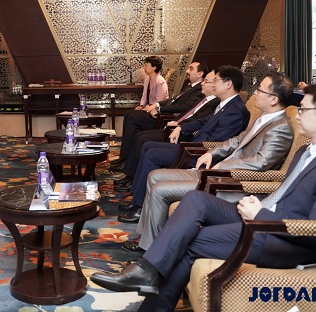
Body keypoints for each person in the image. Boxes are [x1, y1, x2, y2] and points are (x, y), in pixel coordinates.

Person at [91, 82, 316, 312]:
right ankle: (146, 271)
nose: (297, 115)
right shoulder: (307, 151)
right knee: (196, 200)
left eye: (303, 109)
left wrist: (261, 215)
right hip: (265, 219)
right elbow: (287, 191)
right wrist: (259, 206)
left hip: (284, 240)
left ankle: (148, 281)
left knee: (188, 242)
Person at [124, 71, 294, 252]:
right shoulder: (263, 119)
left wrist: (223, 165)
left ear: (274, 99)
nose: (255, 93)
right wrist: (212, 153)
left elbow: (261, 163)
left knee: (159, 188)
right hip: (216, 171)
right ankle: (147, 238)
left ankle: (150, 247)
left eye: (260, 90)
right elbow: (236, 140)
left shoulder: (281, 127)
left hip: (230, 182)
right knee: (154, 176)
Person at [118, 65, 250, 223]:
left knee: (152, 153)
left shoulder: (235, 110)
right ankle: (137, 200)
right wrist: (181, 128)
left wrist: (192, 146)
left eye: (216, 80)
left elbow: (218, 143)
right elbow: (203, 121)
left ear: (228, 84)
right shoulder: (226, 105)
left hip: (199, 154)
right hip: (194, 146)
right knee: (147, 146)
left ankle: (140, 207)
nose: (213, 84)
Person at [114, 69, 219, 190]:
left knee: (143, 140)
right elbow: (188, 113)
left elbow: (195, 117)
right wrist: (175, 121)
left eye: (206, 81)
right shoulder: (199, 94)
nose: (202, 83)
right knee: (139, 134)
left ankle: (132, 179)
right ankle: (129, 172)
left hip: (185, 136)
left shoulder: (213, 102)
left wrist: (178, 125)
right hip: (175, 126)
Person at [111, 61, 207, 172]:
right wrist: (156, 105)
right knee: (130, 114)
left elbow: (184, 107)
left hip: (167, 118)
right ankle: (126, 157)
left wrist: (159, 109)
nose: (187, 71)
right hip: (164, 115)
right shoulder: (189, 86)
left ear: (200, 74)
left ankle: (127, 160)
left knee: (133, 119)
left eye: (191, 69)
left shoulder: (198, 90)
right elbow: (173, 100)